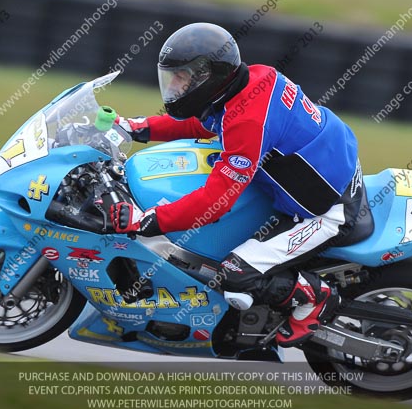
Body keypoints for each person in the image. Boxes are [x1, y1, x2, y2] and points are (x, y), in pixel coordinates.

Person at [109, 22, 363, 347]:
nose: (173, 86)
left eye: (181, 78)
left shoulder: (246, 121)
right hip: (330, 166)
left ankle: (316, 296)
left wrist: (150, 221)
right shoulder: (253, 79)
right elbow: (203, 120)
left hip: (327, 211)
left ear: (209, 78)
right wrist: (136, 127)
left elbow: (215, 202)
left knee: (234, 274)